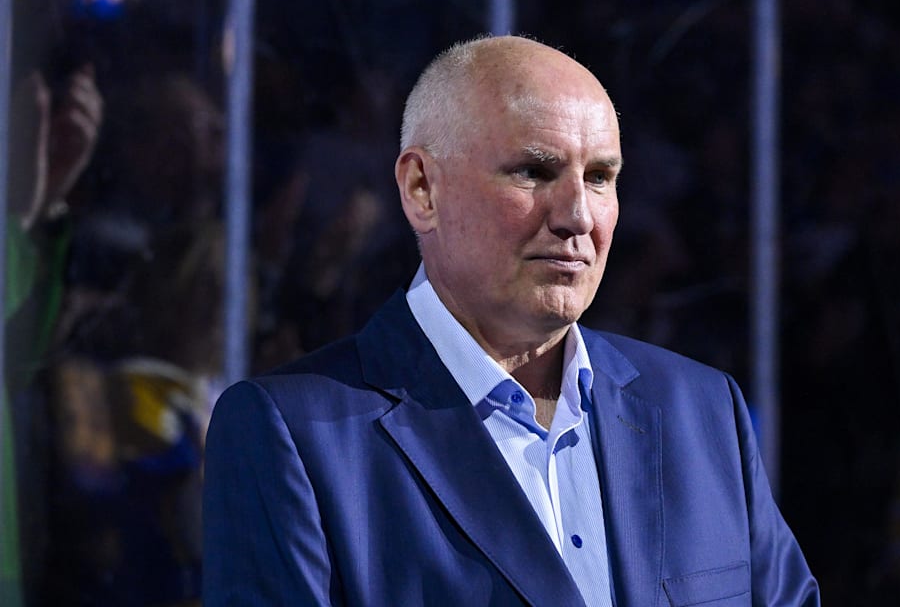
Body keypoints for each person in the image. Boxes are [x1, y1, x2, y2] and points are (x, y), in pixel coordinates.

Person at [203, 35, 819, 606]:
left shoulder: (705, 411)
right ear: (422, 189)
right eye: (534, 171)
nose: (578, 215)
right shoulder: (291, 435)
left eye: (600, 177)